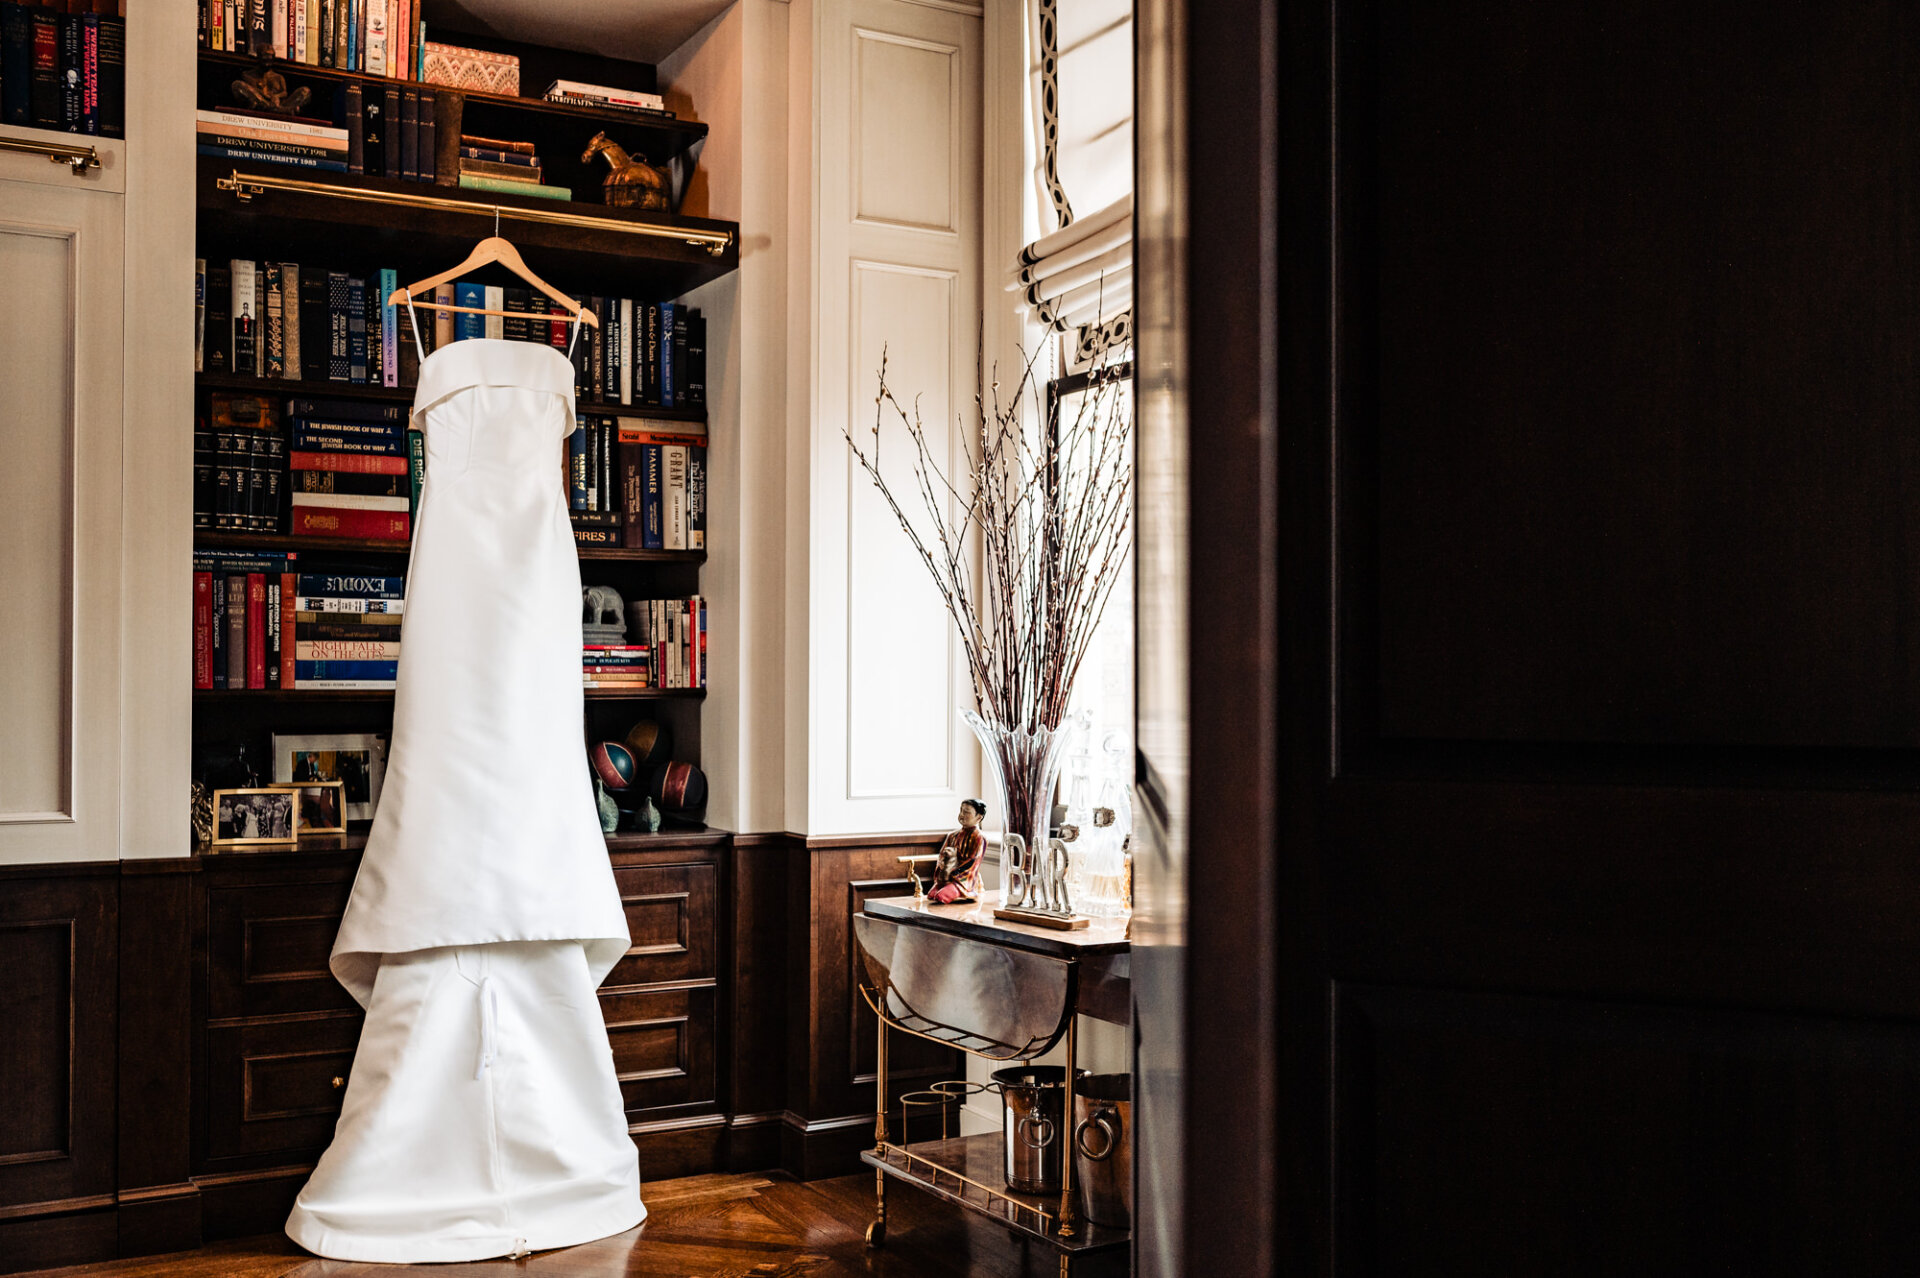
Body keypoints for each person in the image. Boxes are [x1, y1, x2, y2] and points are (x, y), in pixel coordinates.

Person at [927, 798, 988, 904]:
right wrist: (943, 871)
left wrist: (952, 873)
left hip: (963, 880)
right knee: (931, 895)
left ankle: (964, 890)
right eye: (961, 811)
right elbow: (941, 856)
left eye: (966, 812)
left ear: (978, 817)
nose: (962, 815)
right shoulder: (952, 835)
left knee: (941, 897)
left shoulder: (979, 838)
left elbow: (972, 862)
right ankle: (946, 885)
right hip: (946, 875)